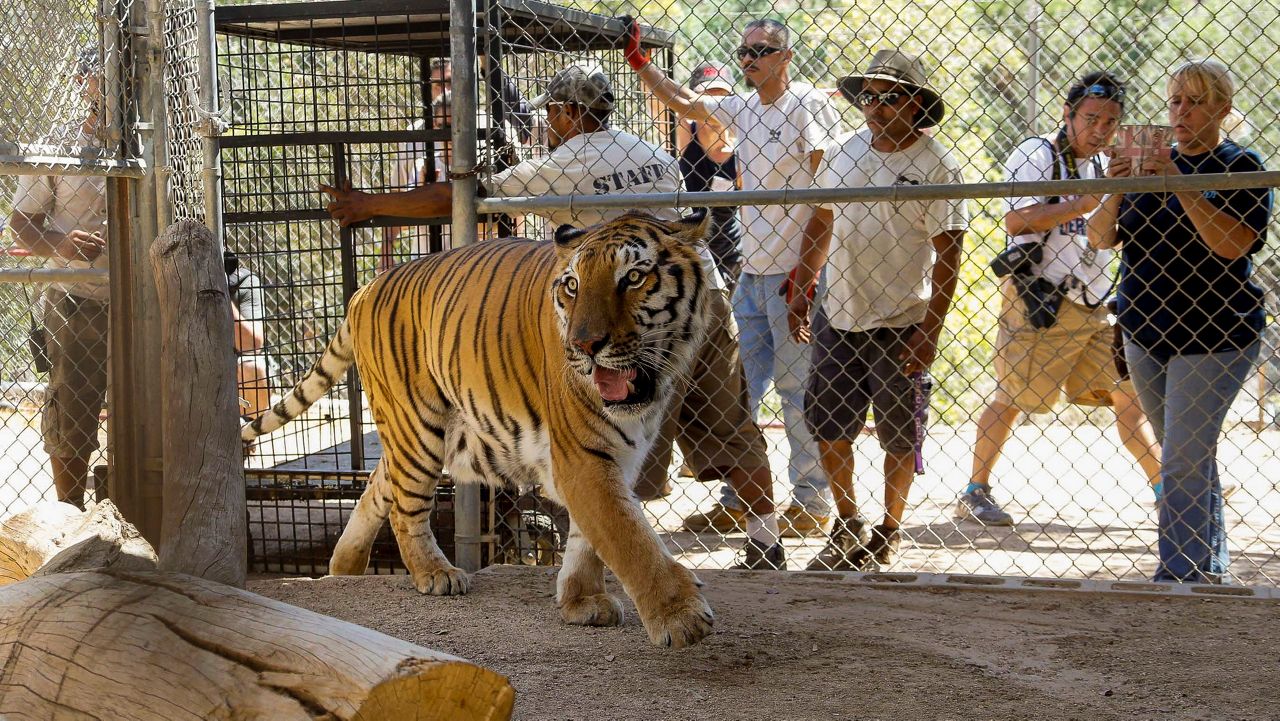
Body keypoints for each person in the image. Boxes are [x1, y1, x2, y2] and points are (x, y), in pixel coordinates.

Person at [322, 64, 787, 569]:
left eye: (550, 112)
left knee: (610, 444)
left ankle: (618, 557)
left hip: (624, 316)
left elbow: (460, 201)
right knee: (730, 419)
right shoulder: (649, 152)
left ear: (568, 113)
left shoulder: (563, 164)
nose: (546, 121)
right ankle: (766, 539)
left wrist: (369, 204)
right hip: (699, 299)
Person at [623, 16, 841, 537]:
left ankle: (811, 503)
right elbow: (685, 104)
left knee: (798, 391)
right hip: (755, 271)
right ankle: (741, 498)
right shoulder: (743, 107)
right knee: (740, 391)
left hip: (796, 270)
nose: (750, 60)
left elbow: (826, 198)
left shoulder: (806, 105)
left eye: (762, 51)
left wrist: (807, 276)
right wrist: (640, 63)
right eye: (744, 52)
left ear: (785, 57)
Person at [1087, 59, 1272, 583]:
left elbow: (1232, 244)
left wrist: (1181, 185)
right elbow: (1100, 239)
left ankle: (1180, 573)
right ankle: (1206, 566)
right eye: (1175, 101)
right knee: (1184, 453)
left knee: (1184, 457)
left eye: (1195, 101)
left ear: (1223, 109)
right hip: (1146, 327)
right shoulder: (1146, 163)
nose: (1182, 112)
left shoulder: (1239, 164)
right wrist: (1118, 186)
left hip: (1216, 331)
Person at [787, 50, 966, 571]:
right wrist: (802, 284)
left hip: (902, 319)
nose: (875, 107)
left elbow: (949, 252)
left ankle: (889, 528)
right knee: (828, 424)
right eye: (867, 96)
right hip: (838, 312)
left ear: (916, 104)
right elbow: (821, 219)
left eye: (889, 97)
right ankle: (846, 522)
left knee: (898, 435)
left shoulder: (937, 165)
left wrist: (931, 329)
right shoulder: (844, 152)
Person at [957, 71, 1158, 526]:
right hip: (1041, 298)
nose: (1100, 129)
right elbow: (1018, 220)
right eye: (1091, 118)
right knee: (1013, 396)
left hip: (1094, 298)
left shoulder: (1104, 166)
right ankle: (975, 489)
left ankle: (1167, 485)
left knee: (1129, 392)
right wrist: (1085, 202)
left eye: (1111, 121)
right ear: (1067, 115)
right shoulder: (1038, 153)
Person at [7, 47, 108, 509]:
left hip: (145, 296)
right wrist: (60, 245)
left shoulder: (156, 141)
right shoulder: (58, 144)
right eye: (99, 75)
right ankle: (69, 513)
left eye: (117, 75)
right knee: (72, 408)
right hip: (75, 296)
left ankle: (134, 507)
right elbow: (22, 222)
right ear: (82, 81)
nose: (106, 85)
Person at [676, 61, 743, 291]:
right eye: (707, 98)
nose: (714, 107)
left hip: (730, 253)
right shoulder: (686, 133)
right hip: (692, 255)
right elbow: (662, 99)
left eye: (721, 98)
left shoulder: (743, 147)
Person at [226, 251, 270, 420]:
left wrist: (221, 294)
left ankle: (247, 432)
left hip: (230, 371)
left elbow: (252, 345)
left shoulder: (244, 281)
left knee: (253, 366)